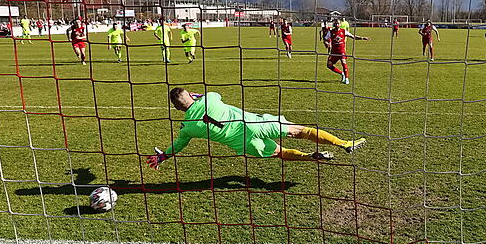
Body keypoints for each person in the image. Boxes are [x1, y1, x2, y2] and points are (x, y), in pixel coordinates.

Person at [147, 88, 366, 167]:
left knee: (279, 153)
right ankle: (344, 143)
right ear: (191, 95)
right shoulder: (210, 98)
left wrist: (164, 156)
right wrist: (196, 96)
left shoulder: (187, 128)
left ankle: (311, 157)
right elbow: (208, 95)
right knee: (299, 131)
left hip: (242, 142)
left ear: (177, 108)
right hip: (254, 124)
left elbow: (179, 144)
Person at [328, 19, 369, 85]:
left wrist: (362, 38)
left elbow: (353, 37)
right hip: (333, 52)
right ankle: (342, 74)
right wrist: (327, 43)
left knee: (343, 62)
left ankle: (346, 79)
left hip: (341, 51)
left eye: (338, 23)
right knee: (329, 65)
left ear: (340, 24)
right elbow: (326, 39)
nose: (336, 25)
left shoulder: (343, 31)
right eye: (335, 23)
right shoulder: (330, 32)